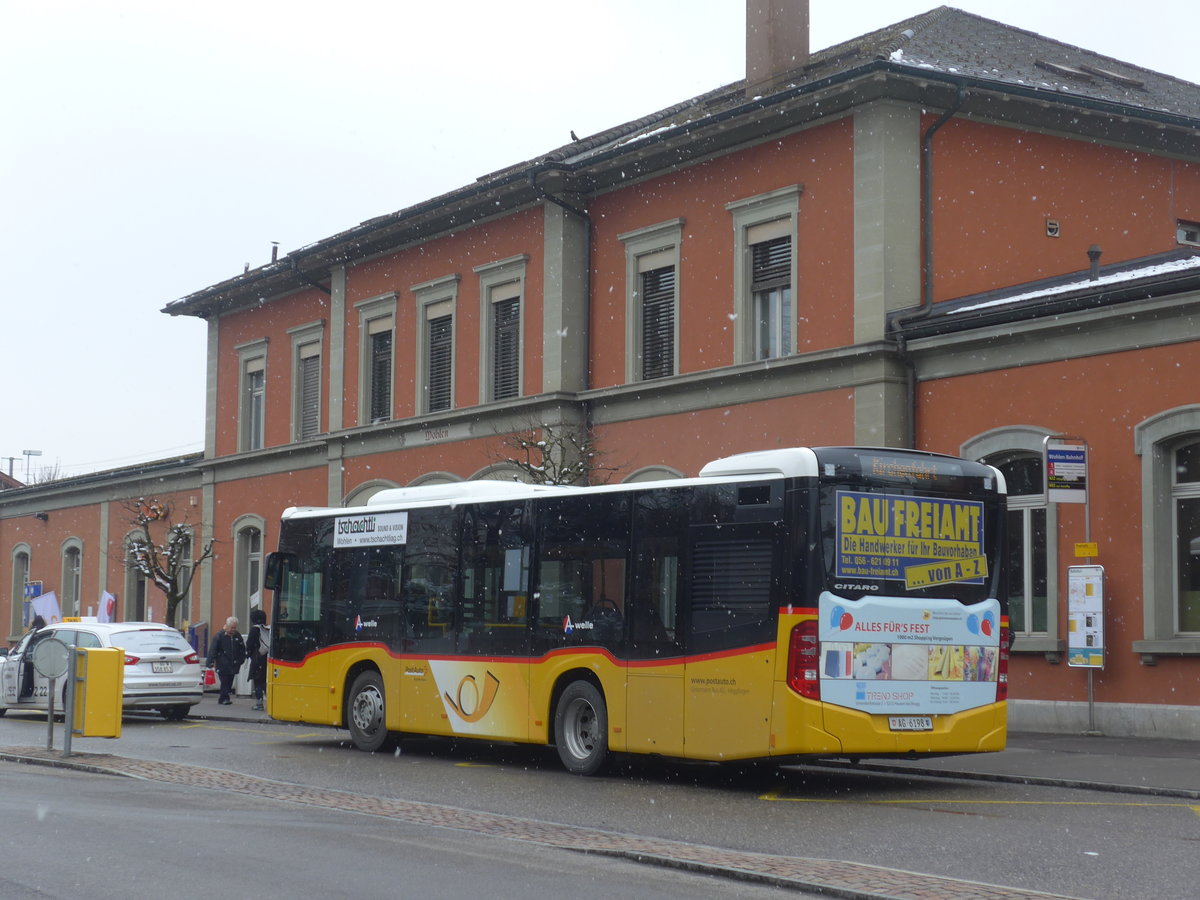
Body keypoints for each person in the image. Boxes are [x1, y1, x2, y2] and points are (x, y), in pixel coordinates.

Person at [207, 616, 246, 705]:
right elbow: (213, 649)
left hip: (233, 664)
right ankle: (225, 698)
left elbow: (242, 649)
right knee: (224, 681)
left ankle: (223, 698)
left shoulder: (237, 636)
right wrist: (210, 662)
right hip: (222, 664)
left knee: (229, 682)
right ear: (227, 626)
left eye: (235, 627)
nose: (234, 630)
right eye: (232, 628)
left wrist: (241, 660)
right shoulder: (219, 636)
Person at [245, 608, 269, 711]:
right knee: (266, 681)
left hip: (257, 658)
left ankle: (259, 703)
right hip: (267, 659)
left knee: (258, 681)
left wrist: (248, 654)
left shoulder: (254, 629)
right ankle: (271, 702)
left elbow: (249, 644)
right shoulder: (268, 628)